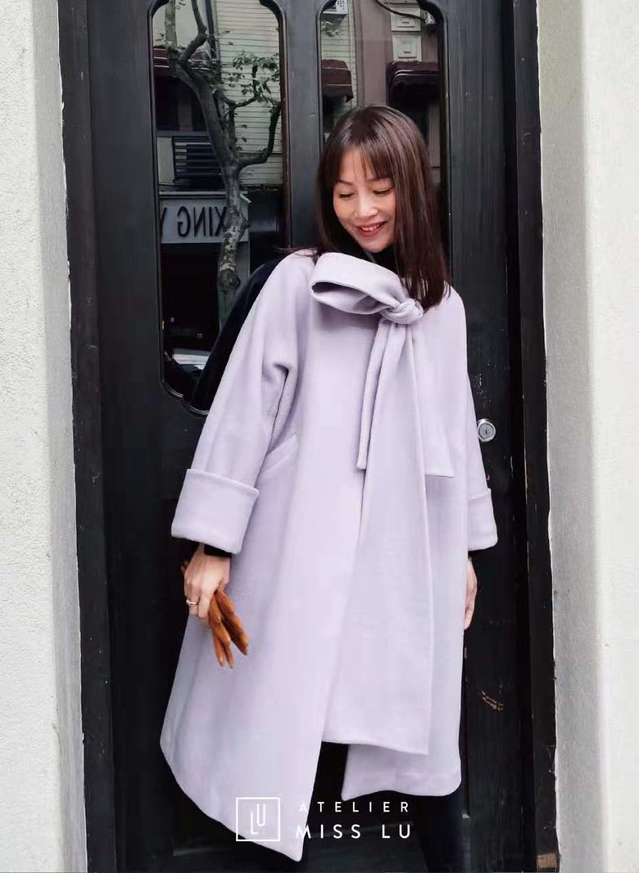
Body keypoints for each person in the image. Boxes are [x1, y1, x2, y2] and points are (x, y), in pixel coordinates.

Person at [160, 104, 498, 872]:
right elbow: (244, 414)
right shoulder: (298, 284)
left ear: (411, 188)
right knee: (279, 728)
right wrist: (213, 542)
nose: (363, 209)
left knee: (420, 732)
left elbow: (453, 432)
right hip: (299, 544)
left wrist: (462, 550)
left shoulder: (443, 309)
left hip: (404, 553)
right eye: (345, 193)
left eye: (379, 188)